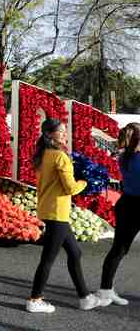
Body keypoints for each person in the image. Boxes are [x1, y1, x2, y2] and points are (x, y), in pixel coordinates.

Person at [26, 118, 101, 313]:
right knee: (48, 259)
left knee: (75, 252)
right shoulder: (60, 156)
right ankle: (35, 299)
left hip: (49, 209)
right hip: (57, 211)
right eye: (61, 131)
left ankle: (85, 297)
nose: (65, 134)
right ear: (50, 134)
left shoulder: (43, 154)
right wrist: (86, 183)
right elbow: (70, 188)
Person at [97, 122, 140, 306]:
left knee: (118, 249)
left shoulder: (125, 157)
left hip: (126, 203)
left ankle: (105, 290)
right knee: (119, 249)